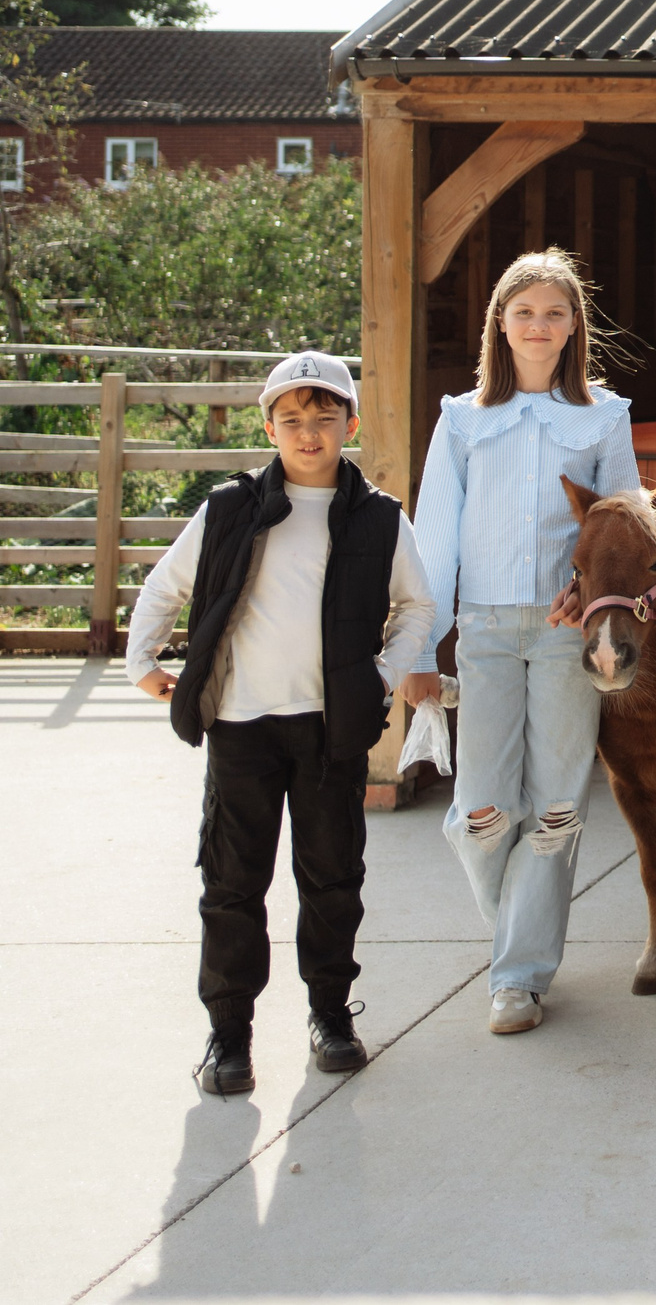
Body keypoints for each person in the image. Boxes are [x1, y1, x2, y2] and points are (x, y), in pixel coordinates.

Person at [129, 352, 435, 1095]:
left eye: (325, 418)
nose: (309, 434)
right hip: (242, 727)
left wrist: (382, 675)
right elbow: (167, 583)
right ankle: (228, 1034)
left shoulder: (377, 517)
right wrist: (144, 660)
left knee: (332, 876)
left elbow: (418, 605)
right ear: (268, 426)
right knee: (234, 882)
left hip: (330, 730)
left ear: (349, 424)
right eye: (292, 420)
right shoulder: (230, 508)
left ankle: (331, 1013)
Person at [415, 249, 639, 1035]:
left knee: (554, 805)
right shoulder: (461, 419)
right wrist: (418, 646)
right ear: (500, 325)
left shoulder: (605, 418)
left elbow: (622, 524)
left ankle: (518, 974)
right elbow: (435, 537)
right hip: (481, 627)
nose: (539, 325)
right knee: (481, 807)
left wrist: (591, 595)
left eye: (554, 312)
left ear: (573, 325)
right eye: (524, 312)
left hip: (563, 634)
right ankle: (519, 915)